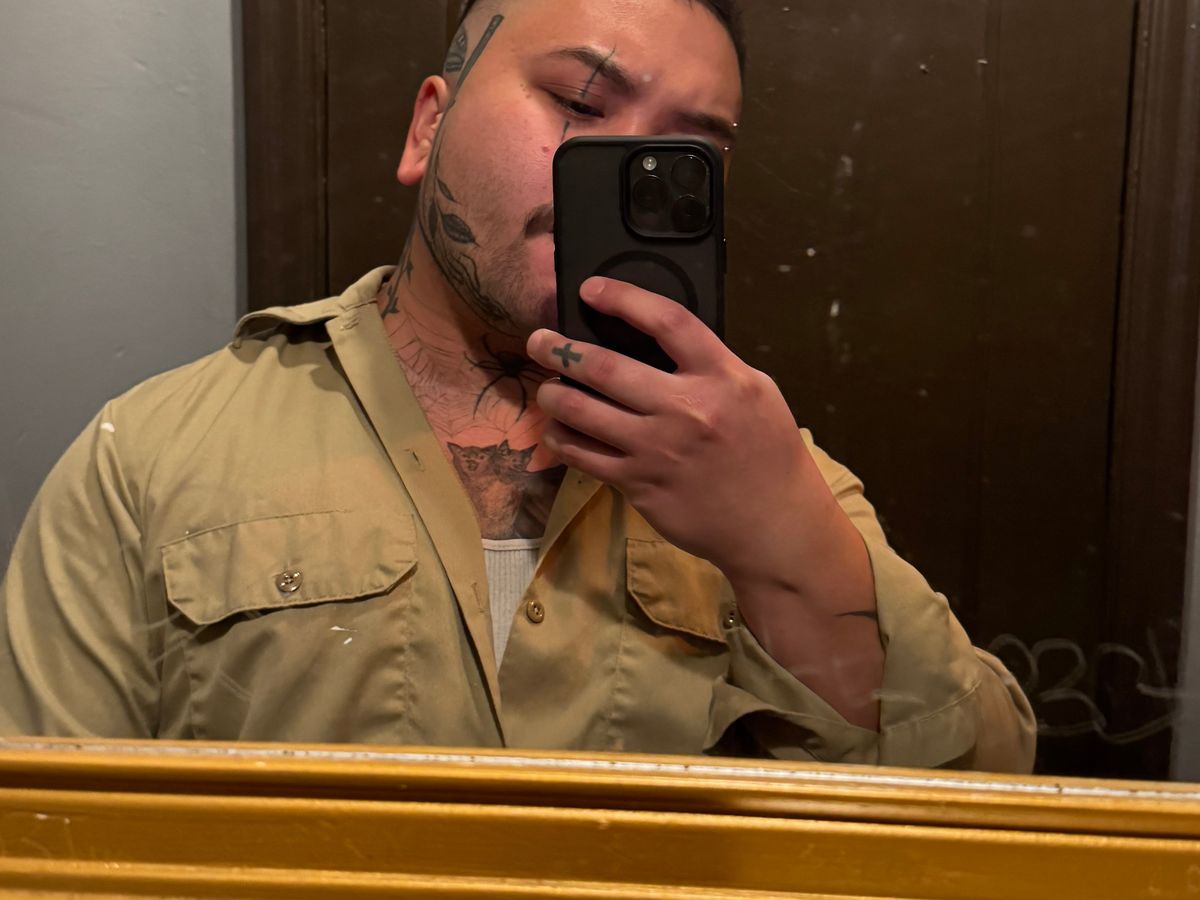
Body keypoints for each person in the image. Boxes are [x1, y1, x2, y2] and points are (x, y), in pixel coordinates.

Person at [0, 0, 1035, 770]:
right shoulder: (149, 459)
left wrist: (787, 544)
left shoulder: (769, 472)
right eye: (581, 102)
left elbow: (983, 808)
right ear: (427, 127)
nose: (626, 165)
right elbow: (48, 847)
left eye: (687, 150)